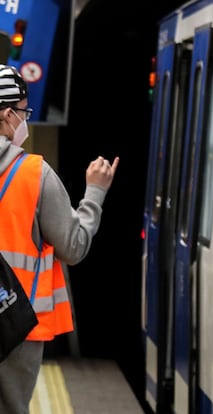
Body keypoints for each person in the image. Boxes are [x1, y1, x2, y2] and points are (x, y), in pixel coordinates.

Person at [0, 64, 120, 413]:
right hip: (14, 324)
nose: (26, 120)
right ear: (8, 115)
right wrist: (95, 193)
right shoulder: (32, 174)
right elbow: (73, 246)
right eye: (24, 111)